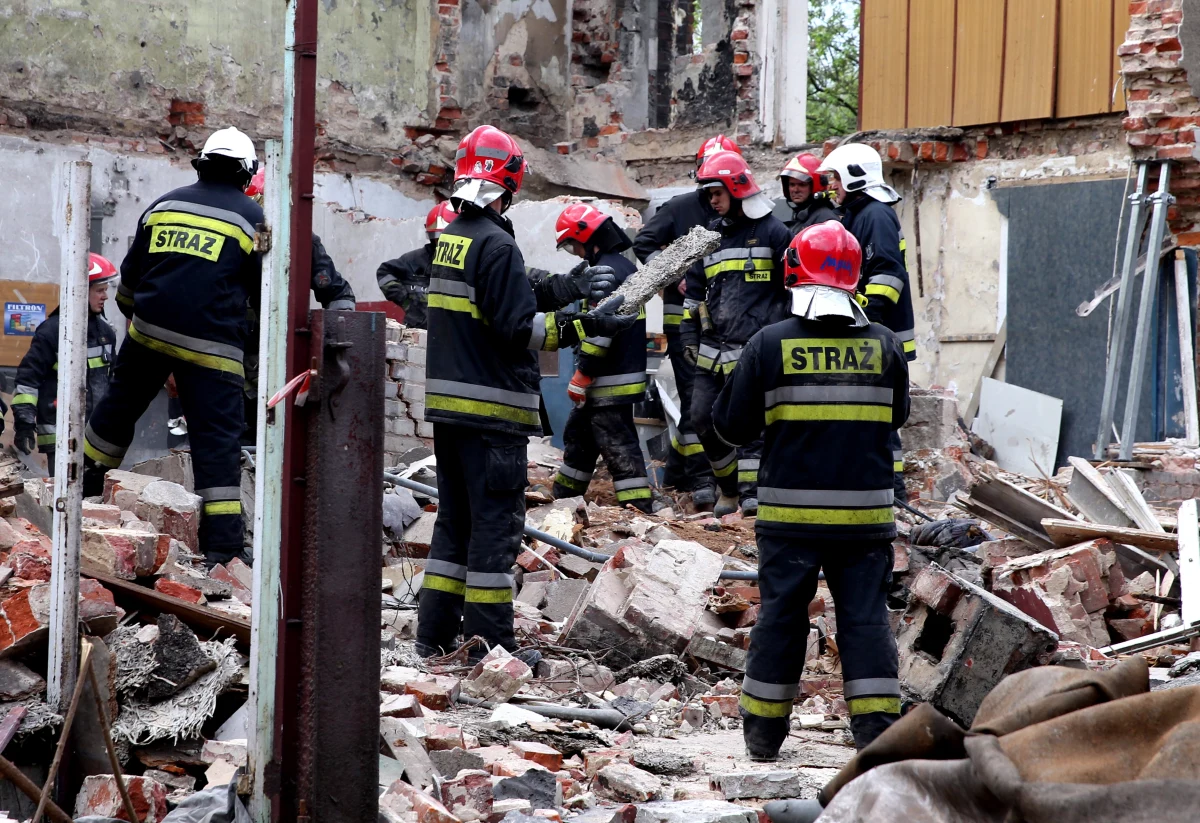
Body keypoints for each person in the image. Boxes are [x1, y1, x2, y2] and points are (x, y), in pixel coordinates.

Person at [416, 125, 638, 663]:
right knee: (494, 531)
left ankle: (434, 637)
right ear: (510, 182)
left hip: (450, 412)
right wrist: (585, 322)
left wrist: (572, 287)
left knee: (455, 524)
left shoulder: (457, 237)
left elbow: (517, 284)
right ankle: (493, 649)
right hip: (493, 414)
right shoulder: (495, 244)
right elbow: (521, 328)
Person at [712, 221, 909, 761]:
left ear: (793, 272)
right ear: (854, 279)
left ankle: (763, 737)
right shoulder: (886, 345)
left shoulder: (768, 344)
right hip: (866, 520)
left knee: (781, 618)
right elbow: (899, 416)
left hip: (789, 518)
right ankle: (875, 738)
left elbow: (727, 426)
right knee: (866, 620)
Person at [83, 126, 264, 567]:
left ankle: (80, 495)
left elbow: (127, 288)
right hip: (212, 350)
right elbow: (264, 299)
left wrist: (147, 327)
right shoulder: (253, 218)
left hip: (147, 336)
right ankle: (223, 550)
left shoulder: (162, 205)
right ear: (247, 172)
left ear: (201, 162)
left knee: (114, 416)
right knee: (216, 444)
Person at [680, 150, 791, 518]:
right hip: (713, 348)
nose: (711, 200)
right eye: (708, 194)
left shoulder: (775, 232)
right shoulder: (709, 237)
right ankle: (727, 488)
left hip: (754, 348)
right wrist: (687, 333)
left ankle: (751, 495)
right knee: (701, 418)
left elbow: (792, 288)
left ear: (737, 188)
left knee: (752, 426)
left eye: (717, 192)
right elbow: (694, 290)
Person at [631, 135, 739, 507]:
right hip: (685, 321)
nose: (713, 192)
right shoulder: (680, 208)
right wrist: (671, 274)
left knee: (726, 401)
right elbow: (644, 242)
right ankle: (701, 483)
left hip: (729, 326)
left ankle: (688, 472)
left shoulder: (741, 216)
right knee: (696, 400)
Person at [819, 143, 917, 500]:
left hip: (877, 336)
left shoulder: (873, 215)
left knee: (880, 417)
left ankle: (894, 494)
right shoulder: (860, 214)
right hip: (873, 335)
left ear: (855, 177)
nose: (832, 185)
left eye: (835, 178)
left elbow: (888, 274)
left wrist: (867, 321)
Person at [239, 169, 355, 444]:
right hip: (232, 354)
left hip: (281, 360)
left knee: (276, 440)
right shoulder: (237, 235)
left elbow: (336, 291)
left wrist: (336, 343)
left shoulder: (302, 241)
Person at [550, 203, 652, 513]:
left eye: (572, 244)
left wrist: (583, 373)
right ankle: (562, 501)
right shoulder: (622, 267)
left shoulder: (605, 272)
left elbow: (599, 331)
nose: (575, 253)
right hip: (611, 377)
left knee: (618, 445)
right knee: (579, 439)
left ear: (586, 236)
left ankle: (638, 511)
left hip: (607, 380)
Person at [12, 253, 118, 475]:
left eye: (106, 289)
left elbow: (113, 382)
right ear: (80, 291)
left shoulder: (105, 333)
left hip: (98, 437)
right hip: (61, 437)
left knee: (97, 502)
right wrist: (24, 423)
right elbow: (27, 381)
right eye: (99, 290)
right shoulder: (53, 332)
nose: (105, 296)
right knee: (64, 500)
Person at [376, 201, 458, 329]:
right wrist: (407, 301)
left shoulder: (468, 261)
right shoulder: (414, 260)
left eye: (446, 238)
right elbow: (384, 272)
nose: (441, 243)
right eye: (437, 238)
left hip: (454, 334)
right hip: (418, 330)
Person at [780, 153, 840, 235]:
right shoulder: (802, 215)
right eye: (792, 184)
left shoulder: (825, 220)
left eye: (802, 185)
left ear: (815, 186)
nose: (795, 190)